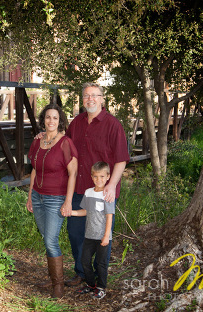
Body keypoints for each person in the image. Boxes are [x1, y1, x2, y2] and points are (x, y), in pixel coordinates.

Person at [65, 83, 130, 286]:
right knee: (75, 232)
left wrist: (111, 185)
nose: (90, 99)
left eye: (94, 95)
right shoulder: (76, 123)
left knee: (101, 235)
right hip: (79, 188)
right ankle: (83, 272)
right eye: (86, 96)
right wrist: (45, 138)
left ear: (102, 99)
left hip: (103, 191)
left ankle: (100, 279)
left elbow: (121, 159)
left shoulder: (113, 125)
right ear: (82, 99)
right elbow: (63, 146)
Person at [26, 103, 78, 298]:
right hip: (38, 196)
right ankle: (53, 277)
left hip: (56, 198)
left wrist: (68, 201)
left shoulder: (65, 143)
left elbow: (73, 173)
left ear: (60, 121)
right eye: (48, 117)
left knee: (50, 240)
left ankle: (58, 285)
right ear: (43, 120)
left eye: (55, 118)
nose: (51, 121)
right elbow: (33, 169)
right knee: (46, 237)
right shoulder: (37, 141)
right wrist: (30, 195)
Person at [72, 161, 115, 299]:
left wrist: (106, 236)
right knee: (85, 260)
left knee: (101, 263)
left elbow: (109, 216)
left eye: (102, 177)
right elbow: (85, 211)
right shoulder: (88, 192)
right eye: (96, 177)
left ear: (108, 176)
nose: (99, 180)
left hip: (102, 236)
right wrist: (71, 212)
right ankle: (91, 285)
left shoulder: (108, 194)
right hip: (89, 235)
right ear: (92, 177)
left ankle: (102, 287)